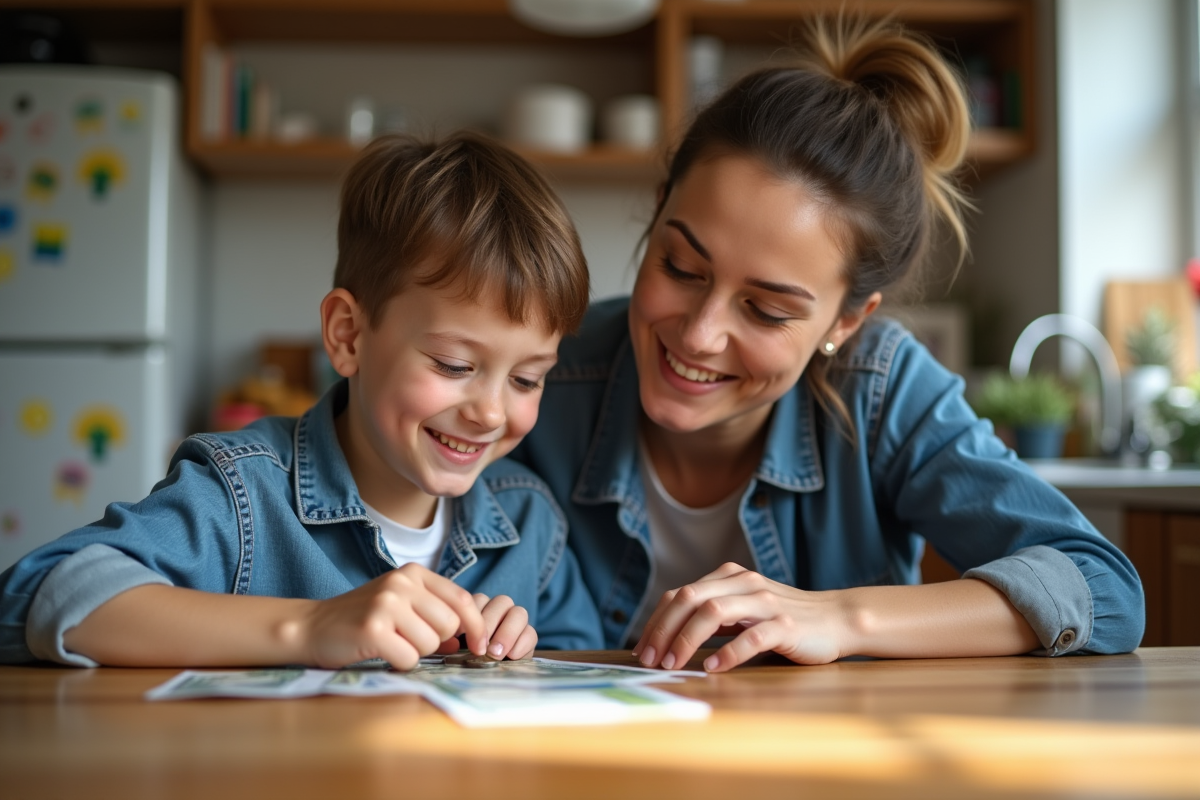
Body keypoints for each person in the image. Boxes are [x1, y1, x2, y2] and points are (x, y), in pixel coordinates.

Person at [511, 17, 1144, 672]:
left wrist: (840, 617)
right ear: (658, 206)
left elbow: (1102, 587)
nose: (700, 335)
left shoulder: (881, 390)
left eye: (766, 309)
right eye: (680, 268)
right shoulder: (546, 367)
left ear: (847, 320)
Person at [0, 132, 603, 668]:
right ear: (348, 336)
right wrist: (308, 627)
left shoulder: (530, 522)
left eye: (526, 379)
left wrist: (525, 648)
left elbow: (585, 667)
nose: (493, 413)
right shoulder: (244, 496)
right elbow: (41, 591)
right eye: (454, 365)